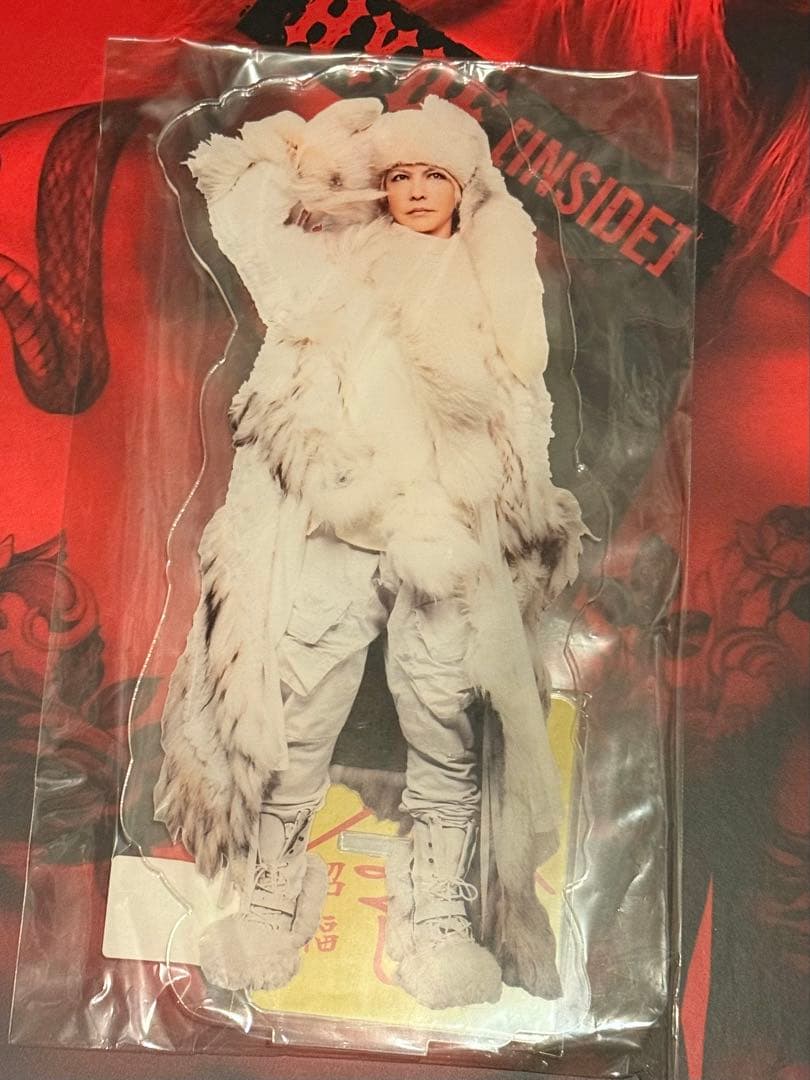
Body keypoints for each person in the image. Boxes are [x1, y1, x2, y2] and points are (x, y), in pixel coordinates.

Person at [155, 94, 587, 1009]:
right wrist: (294, 153)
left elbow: (524, 413)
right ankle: (272, 896)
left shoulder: (495, 280)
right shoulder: (342, 260)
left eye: (435, 175)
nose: (417, 190)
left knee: (447, 719)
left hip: (447, 532)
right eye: (399, 175)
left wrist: (522, 521)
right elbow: (260, 243)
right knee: (296, 706)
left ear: (465, 187)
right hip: (339, 512)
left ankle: (437, 917)